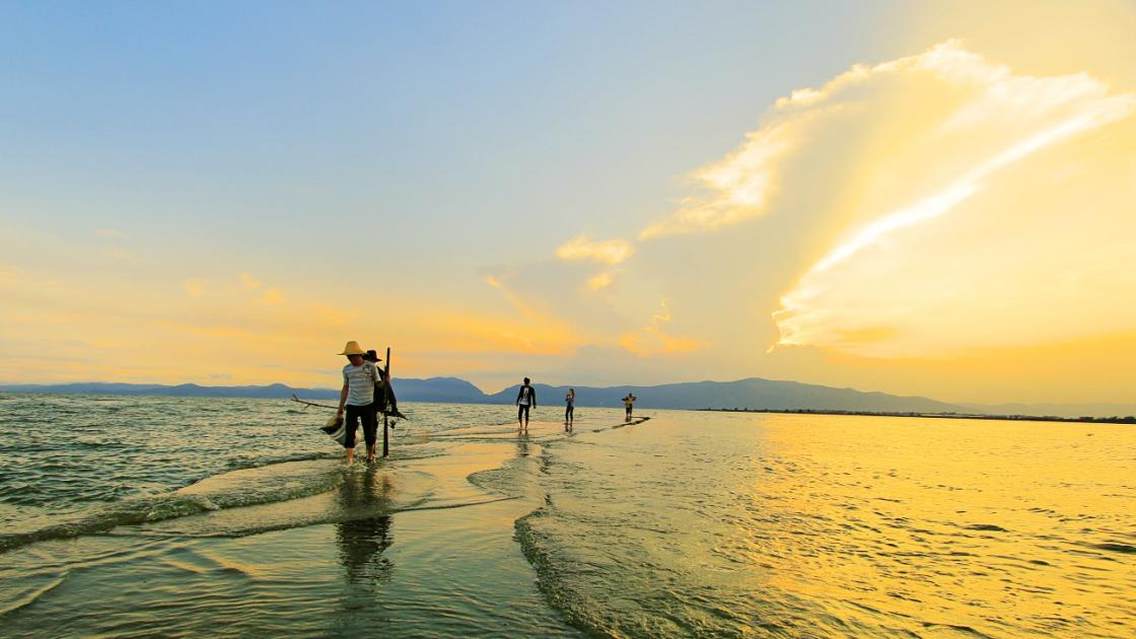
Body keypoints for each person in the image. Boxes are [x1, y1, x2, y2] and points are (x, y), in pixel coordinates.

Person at [336, 340, 379, 464]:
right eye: (348, 357)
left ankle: (370, 456)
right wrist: (340, 408)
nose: (350, 359)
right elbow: (345, 388)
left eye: (352, 356)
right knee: (349, 433)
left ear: (359, 355)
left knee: (369, 434)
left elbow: (378, 383)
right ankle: (350, 461)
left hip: (368, 404)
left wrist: (385, 381)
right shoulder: (346, 369)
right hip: (352, 404)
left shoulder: (370, 366)